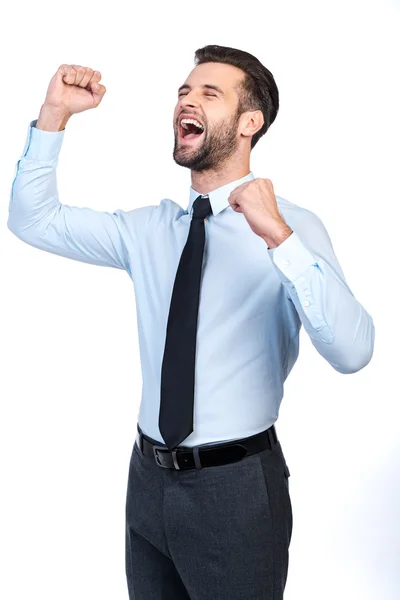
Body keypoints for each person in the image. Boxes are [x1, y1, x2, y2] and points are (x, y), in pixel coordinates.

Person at [8, 44, 375, 599]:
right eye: (183, 91)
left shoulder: (292, 229)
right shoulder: (149, 230)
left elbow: (353, 352)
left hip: (235, 489)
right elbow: (32, 220)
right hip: (147, 479)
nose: (188, 100)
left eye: (210, 92)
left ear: (251, 123)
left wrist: (279, 237)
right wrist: (53, 115)